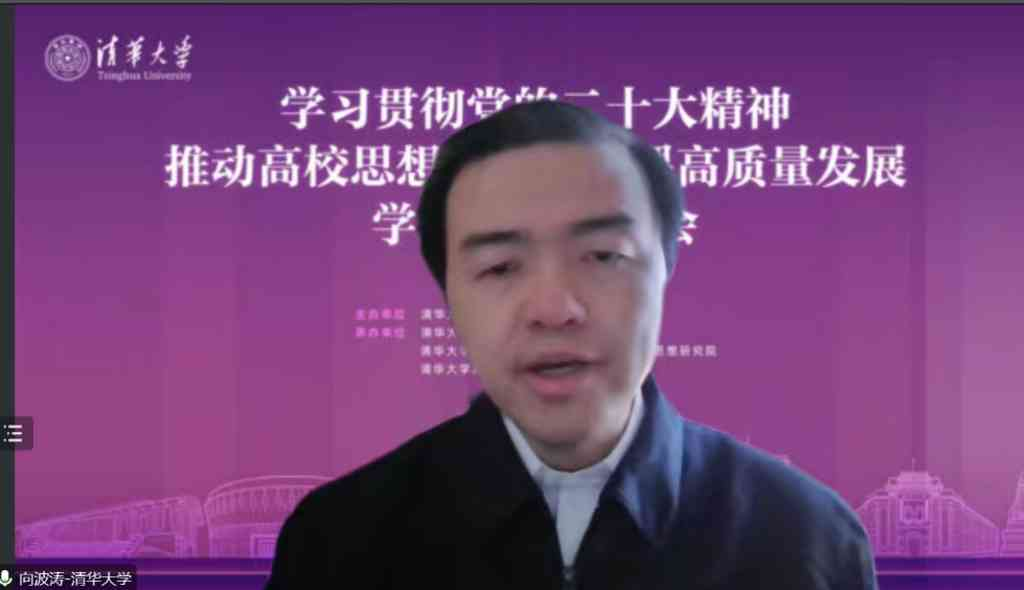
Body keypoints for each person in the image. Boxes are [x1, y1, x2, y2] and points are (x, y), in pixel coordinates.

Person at [266, 101, 879, 589]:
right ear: (448, 296)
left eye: (604, 256)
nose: (555, 309)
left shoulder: (804, 537)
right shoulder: (339, 541)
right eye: (500, 267)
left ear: (667, 272)